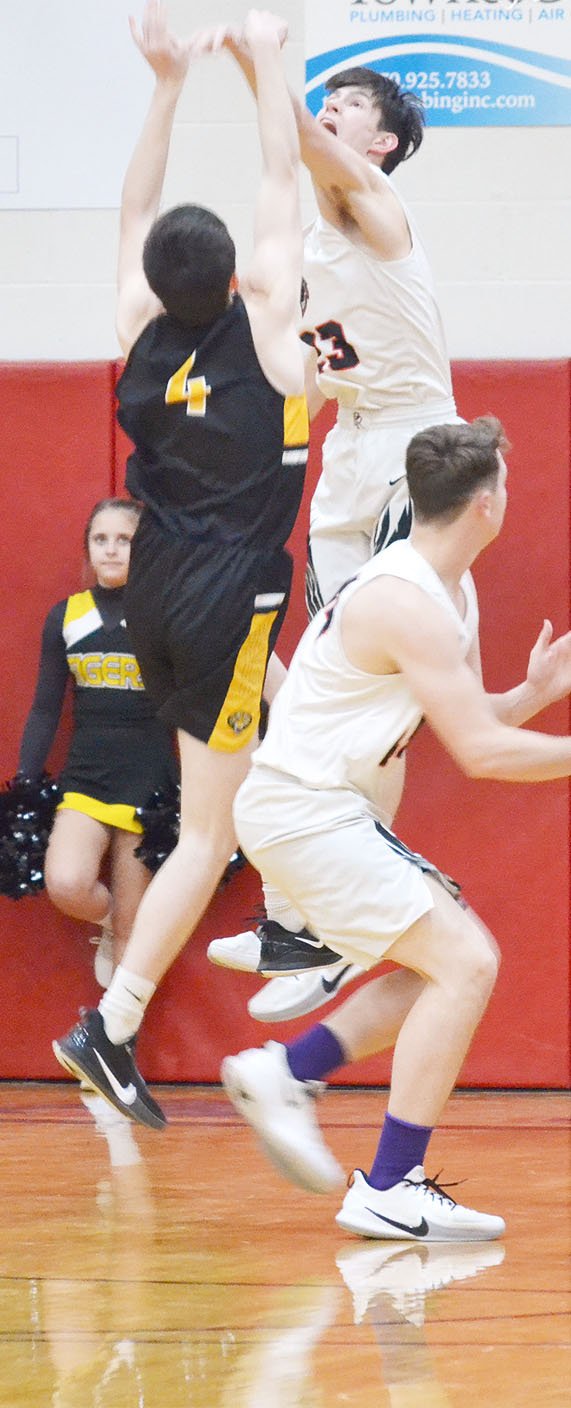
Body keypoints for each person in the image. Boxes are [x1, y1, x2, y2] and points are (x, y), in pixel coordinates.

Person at [220, 417, 571, 1240]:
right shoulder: (405, 601)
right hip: (305, 809)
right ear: (487, 504)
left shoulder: (437, 589)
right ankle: (388, 1182)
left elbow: (467, 717)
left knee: (433, 969)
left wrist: (532, 699)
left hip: (310, 810)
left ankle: (289, 1072)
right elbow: (480, 756)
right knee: (470, 961)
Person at [53, 4, 307, 1127]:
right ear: (238, 278)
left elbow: (133, 212)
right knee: (212, 827)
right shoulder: (266, 333)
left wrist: (163, 86)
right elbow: (281, 192)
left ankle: (300, 908)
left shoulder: (135, 326)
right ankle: (112, 1021)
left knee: (285, 748)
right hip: (226, 591)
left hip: (147, 585)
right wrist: (266, 71)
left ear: (161, 278)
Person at [205, 44, 465, 1009]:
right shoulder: (316, 249)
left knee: (380, 694)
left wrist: (258, 60)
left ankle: (355, 915)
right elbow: (307, 383)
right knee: (317, 684)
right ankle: (297, 924)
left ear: (383, 142)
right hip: (350, 453)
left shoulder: (378, 207)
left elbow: (302, 144)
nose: (329, 112)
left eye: (346, 106)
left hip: (412, 448)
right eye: (325, 101)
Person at [17, 498, 177, 985]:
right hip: (85, 778)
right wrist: (26, 783)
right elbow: (46, 709)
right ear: (88, 548)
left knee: (136, 932)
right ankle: (110, 923)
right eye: (100, 539)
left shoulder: (165, 614)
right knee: (66, 883)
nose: (111, 550)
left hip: (149, 784)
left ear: (143, 547)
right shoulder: (66, 617)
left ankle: (114, 1044)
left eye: (124, 540)